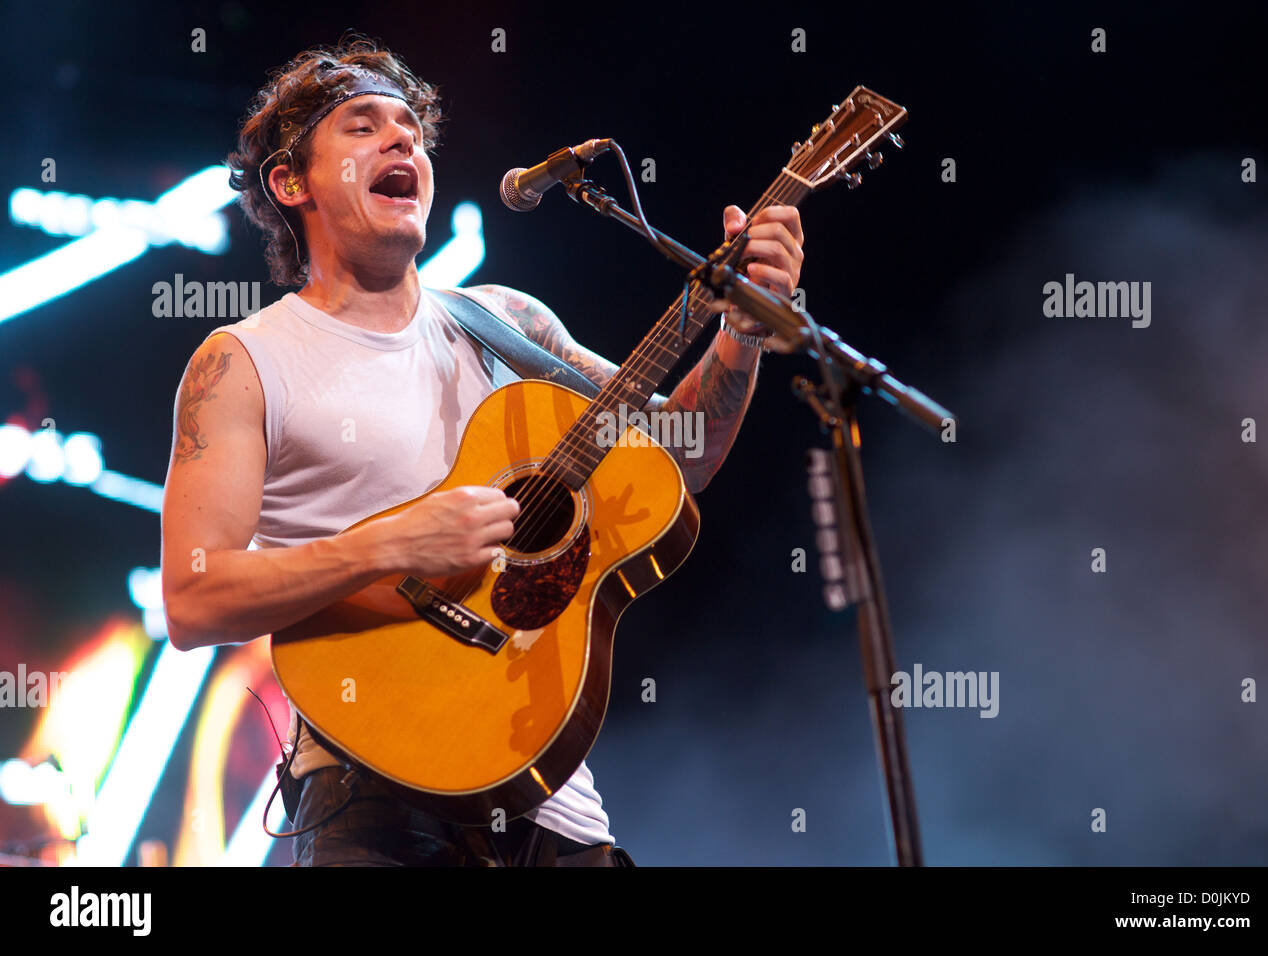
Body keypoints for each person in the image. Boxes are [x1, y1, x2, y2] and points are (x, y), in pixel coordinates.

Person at [160, 36, 804, 866]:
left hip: (556, 796)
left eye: (410, 130)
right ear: (291, 184)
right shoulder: (242, 362)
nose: (401, 143)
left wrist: (739, 341)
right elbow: (193, 597)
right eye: (362, 128)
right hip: (371, 794)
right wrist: (389, 544)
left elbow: (675, 461)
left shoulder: (509, 324)